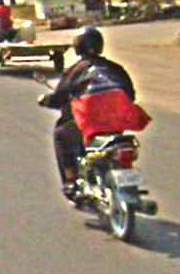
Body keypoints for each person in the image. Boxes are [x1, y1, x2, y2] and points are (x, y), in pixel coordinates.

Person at [38, 26, 138, 200]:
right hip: (116, 123)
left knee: (61, 134)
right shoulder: (115, 68)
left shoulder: (76, 70)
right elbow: (130, 95)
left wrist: (47, 100)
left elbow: (59, 97)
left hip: (88, 124)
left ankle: (70, 180)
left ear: (78, 47)